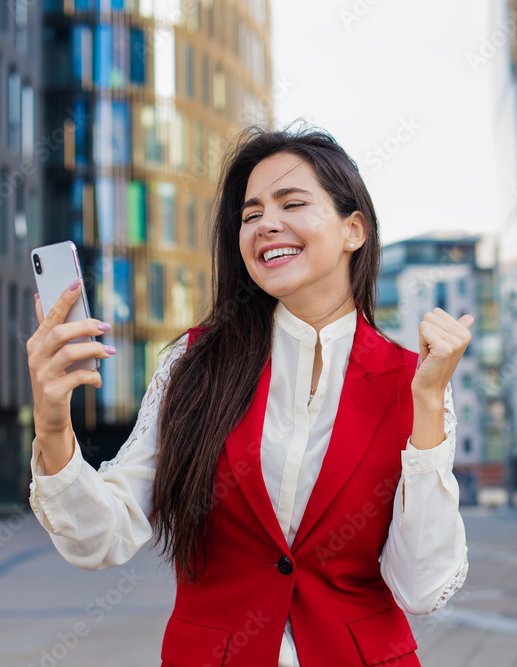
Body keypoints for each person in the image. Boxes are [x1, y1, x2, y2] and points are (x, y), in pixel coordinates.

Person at [25, 125, 473, 667]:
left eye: (292, 203)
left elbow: (421, 588)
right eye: (251, 213)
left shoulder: (415, 382)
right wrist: (52, 426)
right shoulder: (193, 364)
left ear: (354, 228)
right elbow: (103, 536)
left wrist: (427, 404)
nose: (267, 225)